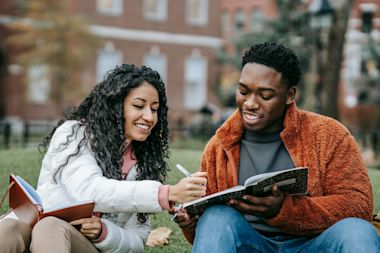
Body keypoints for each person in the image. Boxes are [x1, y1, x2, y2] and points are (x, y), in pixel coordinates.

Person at [174, 42, 380, 252]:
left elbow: (358, 205)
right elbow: (212, 234)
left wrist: (285, 210)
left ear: (289, 95)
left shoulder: (329, 135)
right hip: (251, 244)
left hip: (313, 244)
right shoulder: (219, 146)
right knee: (216, 217)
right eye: (243, 91)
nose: (250, 103)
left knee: (358, 231)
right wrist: (190, 222)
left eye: (265, 95)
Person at [0, 64, 207, 253]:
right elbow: (89, 190)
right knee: (8, 228)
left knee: (50, 226)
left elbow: (137, 240)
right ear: (116, 106)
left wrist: (104, 232)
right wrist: (166, 193)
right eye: (139, 106)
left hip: (81, 244)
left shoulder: (143, 162)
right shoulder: (74, 134)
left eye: (154, 109)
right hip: (37, 229)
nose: (150, 117)